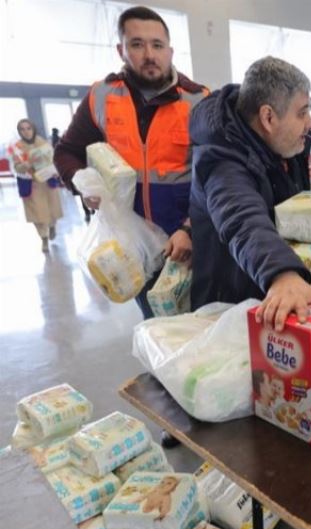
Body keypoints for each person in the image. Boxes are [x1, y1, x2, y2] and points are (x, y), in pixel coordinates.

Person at [53, 5, 209, 318]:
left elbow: (217, 175)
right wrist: (82, 183)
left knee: (197, 322)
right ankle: (161, 367)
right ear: (121, 50)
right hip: (134, 246)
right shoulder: (102, 97)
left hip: (188, 242)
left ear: (170, 50)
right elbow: (66, 151)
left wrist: (190, 229)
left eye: (157, 45)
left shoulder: (199, 101)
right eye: (137, 44)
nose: (149, 54)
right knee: (153, 319)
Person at [189, 56, 311, 332]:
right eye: (302, 113)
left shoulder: (283, 148)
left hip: (266, 298)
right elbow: (243, 219)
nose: (310, 124)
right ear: (268, 117)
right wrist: (283, 274)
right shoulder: (222, 160)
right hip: (229, 311)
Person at [8, 119, 63, 253]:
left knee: (52, 209)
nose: (26, 132)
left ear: (33, 129)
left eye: (28, 128)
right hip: (32, 183)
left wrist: (56, 171)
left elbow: (53, 159)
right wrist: (28, 163)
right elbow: (17, 168)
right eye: (22, 129)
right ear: (19, 131)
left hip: (48, 180)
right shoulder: (17, 147)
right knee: (37, 213)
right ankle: (43, 238)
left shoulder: (42, 142)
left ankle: (52, 226)